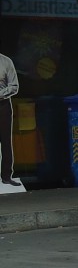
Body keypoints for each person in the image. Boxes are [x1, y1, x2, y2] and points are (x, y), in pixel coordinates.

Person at [0, 52, 19, 186]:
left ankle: (6, 176)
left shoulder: (6, 61)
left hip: (3, 105)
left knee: (6, 142)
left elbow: (14, 86)